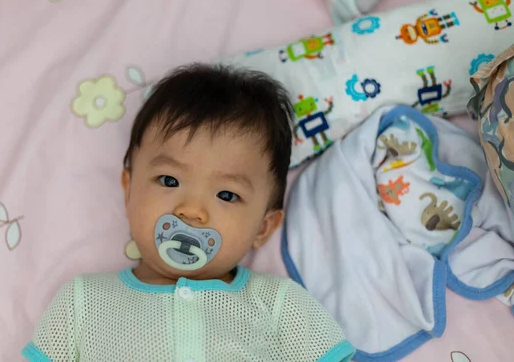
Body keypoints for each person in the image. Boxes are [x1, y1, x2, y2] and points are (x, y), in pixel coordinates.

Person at [22, 64, 355, 362]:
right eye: (169, 180)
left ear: (263, 227)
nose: (192, 211)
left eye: (227, 194)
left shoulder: (281, 305)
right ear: (129, 189)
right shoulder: (82, 304)